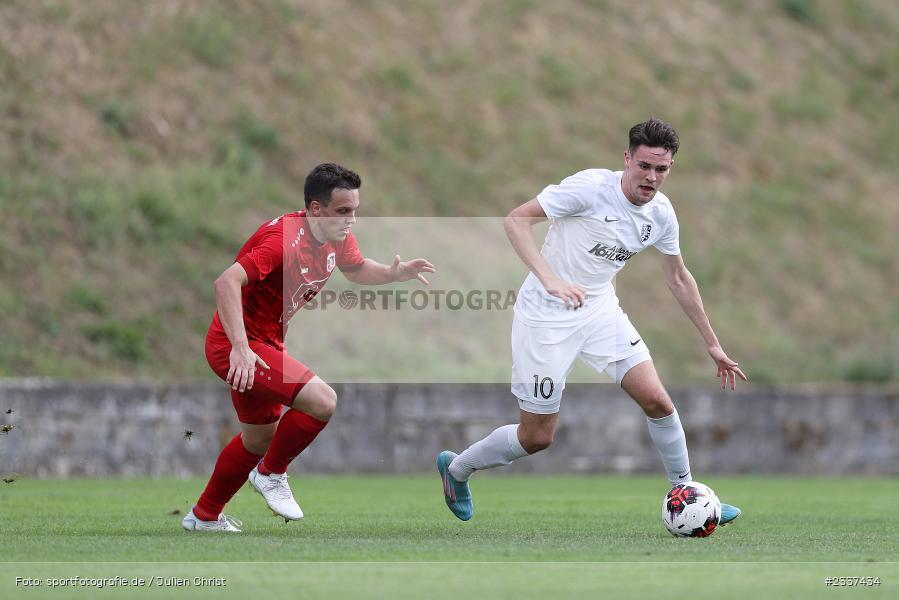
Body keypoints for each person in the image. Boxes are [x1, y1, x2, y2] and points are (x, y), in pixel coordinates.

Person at [438, 118, 747, 525]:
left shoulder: (661, 214)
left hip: (600, 312)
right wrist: (550, 280)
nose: (651, 177)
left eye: (661, 169)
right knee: (537, 437)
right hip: (545, 318)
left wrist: (712, 342)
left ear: (670, 167)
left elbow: (678, 278)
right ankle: (457, 469)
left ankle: (688, 495)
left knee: (657, 401)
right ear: (627, 159)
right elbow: (516, 220)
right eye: (644, 166)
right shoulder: (589, 189)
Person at [183, 163, 435, 532]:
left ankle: (204, 516)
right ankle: (271, 474)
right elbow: (226, 282)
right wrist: (240, 347)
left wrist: (394, 274)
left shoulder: (336, 235)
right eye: (343, 211)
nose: (351, 220)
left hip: (264, 344)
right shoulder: (282, 241)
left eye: (355, 211)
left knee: (259, 438)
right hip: (237, 346)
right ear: (316, 209)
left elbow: (356, 268)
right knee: (322, 401)